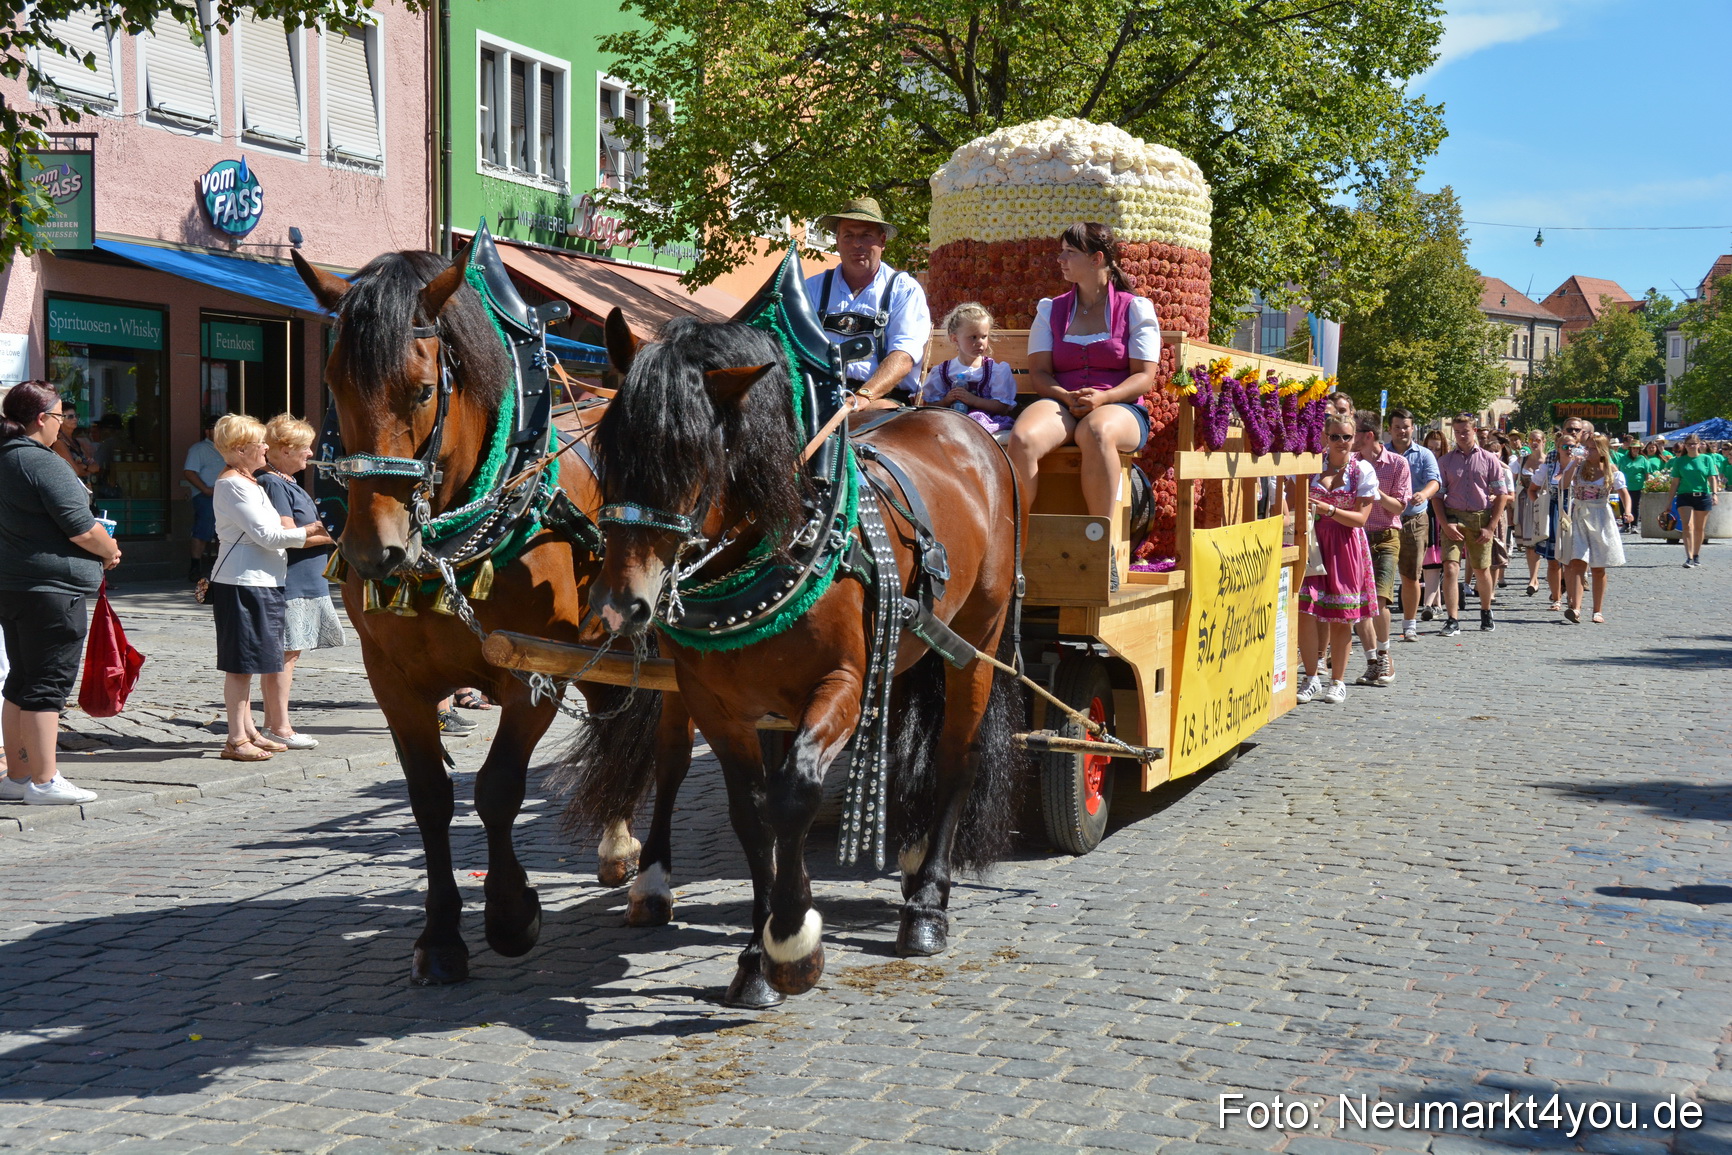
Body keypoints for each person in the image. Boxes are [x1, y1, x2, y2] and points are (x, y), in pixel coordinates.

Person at [0, 382, 122, 805]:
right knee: (46, 685)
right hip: (52, 590)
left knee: (21, 681)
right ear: (41, 419)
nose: (63, 425)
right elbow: (82, 528)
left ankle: (19, 777)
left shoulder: (6, 458)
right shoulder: (42, 461)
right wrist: (109, 550)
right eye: (59, 417)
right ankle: (44, 780)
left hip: (15, 585)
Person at [1008, 221, 1159, 519]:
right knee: (1023, 437)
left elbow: (1144, 376)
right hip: (1062, 401)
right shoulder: (1051, 309)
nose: (1060, 259)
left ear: (1096, 259)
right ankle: (1018, 535)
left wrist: (1105, 398)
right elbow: (1039, 373)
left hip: (1120, 406)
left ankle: (1101, 537)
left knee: (1097, 430)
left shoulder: (1134, 308)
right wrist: (1065, 396)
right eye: (1061, 251)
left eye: (1070, 252)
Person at [207, 414, 332, 761]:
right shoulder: (232, 484)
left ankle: (249, 732)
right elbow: (269, 536)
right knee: (241, 665)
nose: (266, 447)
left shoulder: (248, 482)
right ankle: (236, 739)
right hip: (242, 582)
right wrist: (313, 531)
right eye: (259, 442)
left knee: (252, 661)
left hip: (262, 581)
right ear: (240, 449)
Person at [256, 414, 345, 750]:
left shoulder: (284, 481)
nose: (310, 453)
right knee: (284, 656)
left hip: (304, 582)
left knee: (286, 655)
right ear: (284, 450)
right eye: (305, 448)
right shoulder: (274, 483)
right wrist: (336, 535)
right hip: (292, 582)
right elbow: (288, 535)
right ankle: (279, 726)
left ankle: (274, 725)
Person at [805, 198, 931, 411]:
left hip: (882, 398)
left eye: (866, 235)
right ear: (837, 241)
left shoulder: (904, 289)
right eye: (848, 236)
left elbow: (903, 356)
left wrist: (862, 398)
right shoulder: (812, 288)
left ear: (882, 241)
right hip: (819, 395)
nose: (857, 244)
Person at [1296, 413, 1376, 706]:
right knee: (1305, 610)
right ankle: (1311, 677)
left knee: (1342, 615)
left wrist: (1327, 510)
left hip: (1345, 545)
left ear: (1355, 438)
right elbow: (1291, 501)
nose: (1341, 442)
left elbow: (1360, 519)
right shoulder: (1311, 465)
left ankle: (1338, 681)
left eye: (1346, 437)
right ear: (1325, 437)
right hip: (1312, 542)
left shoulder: (1362, 470)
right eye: (1335, 436)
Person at [1433, 412, 1512, 636]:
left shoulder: (1489, 459)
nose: (1461, 436)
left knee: (1481, 569)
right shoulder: (1446, 461)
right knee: (1450, 567)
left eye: (1465, 432)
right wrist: (1444, 524)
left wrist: (1491, 526)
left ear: (1474, 431)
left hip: (1480, 517)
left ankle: (1486, 611)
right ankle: (1452, 619)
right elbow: (1437, 496)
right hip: (1453, 518)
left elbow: (1501, 494)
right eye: (1457, 432)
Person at [1352, 413, 1410, 684]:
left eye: (1352, 433)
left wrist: (1375, 491)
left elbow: (1398, 507)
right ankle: (1372, 661)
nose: (1347, 438)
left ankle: (1385, 655)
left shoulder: (1397, 463)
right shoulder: (1351, 463)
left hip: (1386, 537)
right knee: (1360, 602)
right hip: (1357, 536)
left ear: (1368, 435)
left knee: (1380, 600)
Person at [1558, 434, 1629, 623]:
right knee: (1578, 562)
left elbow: (1624, 493)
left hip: (1600, 516)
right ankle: (1576, 608)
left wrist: (1628, 511)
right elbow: (1563, 485)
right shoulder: (1579, 466)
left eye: (1592, 448)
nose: (1588, 451)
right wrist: (1574, 463)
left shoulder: (1610, 470)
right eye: (1586, 447)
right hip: (1580, 516)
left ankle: (1597, 610)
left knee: (1598, 566)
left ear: (1602, 450)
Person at [920, 302, 1016, 435]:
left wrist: (974, 401)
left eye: (984, 336)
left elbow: (1002, 408)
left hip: (984, 422)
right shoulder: (943, 371)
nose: (980, 342)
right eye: (973, 337)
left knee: (974, 420)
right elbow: (930, 406)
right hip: (950, 422)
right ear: (955, 338)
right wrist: (946, 401)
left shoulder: (994, 370)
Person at [1387, 409, 1439, 643]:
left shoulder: (1424, 454)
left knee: (1410, 575)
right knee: (1382, 575)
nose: (1402, 431)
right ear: (1390, 429)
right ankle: (1372, 621)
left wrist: (1424, 494)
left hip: (1414, 520)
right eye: (1397, 427)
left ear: (1413, 428)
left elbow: (1435, 481)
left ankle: (1409, 625)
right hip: (1385, 520)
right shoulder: (1381, 453)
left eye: (1406, 426)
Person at [1531, 417, 1588, 611]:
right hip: (1553, 510)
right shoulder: (1549, 466)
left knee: (1571, 560)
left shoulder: (1582, 465)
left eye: (1572, 446)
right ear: (1558, 447)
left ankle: (1572, 599)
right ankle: (1556, 599)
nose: (1569, 449)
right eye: (1565, 446)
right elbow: (1532, 489)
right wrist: (1540, 509)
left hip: (1573, 511)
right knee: (1554, 561)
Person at [184, 413, 224, 584]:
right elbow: (189, 472)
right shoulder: (199, 449)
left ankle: (222, 568)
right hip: (206, 497)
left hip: (226, 497)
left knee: (224, 532)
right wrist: (205, 490)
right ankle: (195, 567)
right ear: (208, 432)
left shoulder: (229, 448)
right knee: (202, 531)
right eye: (217, 429)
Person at [1669, 433, 1719, 567]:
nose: (1691, 446)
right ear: (1685, 446)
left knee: (1699, 528)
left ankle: (1696, 555)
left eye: (1694, 443)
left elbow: (1712, 477)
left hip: (1703, 495)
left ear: (1699, 445)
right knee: (1687, 526)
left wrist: (1714, 493)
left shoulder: (1706, 459)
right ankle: (1689, 557)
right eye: (1689, 444)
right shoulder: (1679, 461)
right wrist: (1668, 502)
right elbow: (1675, 482)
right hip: (1684, 495)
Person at [1515, 429, 1548, 594]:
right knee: (1530, 544)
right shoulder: (1521, 460)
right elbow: (1510, 479)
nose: (1534, 443)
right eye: (1531, 440)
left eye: (1537, 440)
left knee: (1548, 541)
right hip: (1527, 503)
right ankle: (1533, 579)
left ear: (1544, 442)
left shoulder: (1550, 460)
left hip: (1546, 502)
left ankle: (1556, 577)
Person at [51, 404, 99, 489]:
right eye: (70, 417)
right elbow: (75, 471)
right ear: (60, 419)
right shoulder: (59, 442)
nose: (75, 419)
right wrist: (87, 467)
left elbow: (95, 466)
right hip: (70, 489)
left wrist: (84, 467)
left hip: (84, 488)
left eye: (76, 416)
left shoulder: (76, 442)